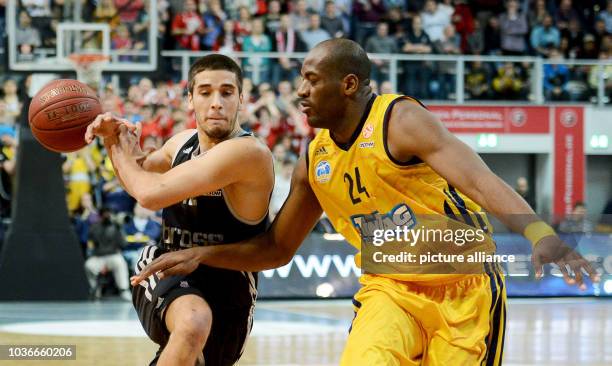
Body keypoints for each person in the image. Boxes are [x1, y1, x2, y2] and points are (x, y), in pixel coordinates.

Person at [131, 39, 598, 365]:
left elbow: (478, 178)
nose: (300, 92)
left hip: (463, 287)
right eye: (300, 80)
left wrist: (540, 234)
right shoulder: (314, 160)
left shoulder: (400, 119)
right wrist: (202, 256)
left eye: (311, 81)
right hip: (388, 290)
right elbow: (275, 249)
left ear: (348, 85)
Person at [86, 54, 274, 366]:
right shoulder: (181, 142)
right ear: (189, 99)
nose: (216, 103)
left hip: (231, 292)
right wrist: (116, 141)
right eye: (205, 92)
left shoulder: (248, 153)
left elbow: (148, 192)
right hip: (166, 267)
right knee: (193, 322)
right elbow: (139, 172)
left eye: (227, 93)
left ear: (241, 99)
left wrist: (114, 146)